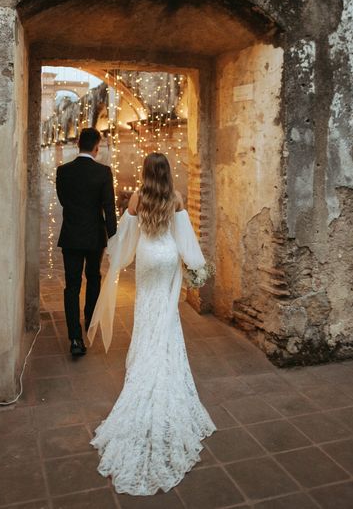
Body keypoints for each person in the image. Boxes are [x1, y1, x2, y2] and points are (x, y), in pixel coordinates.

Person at [87, 152, 216, 495]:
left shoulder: (136, 198)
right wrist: (196, 265)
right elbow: (185, 237)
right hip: (167, 258)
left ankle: (147, 360)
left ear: (145, 173)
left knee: (146, 312)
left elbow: (125, 238)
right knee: (167, 316)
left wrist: (117, 257)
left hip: (147, 258)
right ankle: (164, 359)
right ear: (167, 173)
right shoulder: (175, 198)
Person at [56, 127, 117, 357]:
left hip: (71, 235)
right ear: (96, 147)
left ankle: (74, 338)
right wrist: (114, 238)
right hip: (94, 237)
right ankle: (90, 319)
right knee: (93, 277)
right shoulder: (103, 172)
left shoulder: (63, 171)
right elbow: (109, 207)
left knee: (71, 286)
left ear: (78, 144)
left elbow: (63, 201)